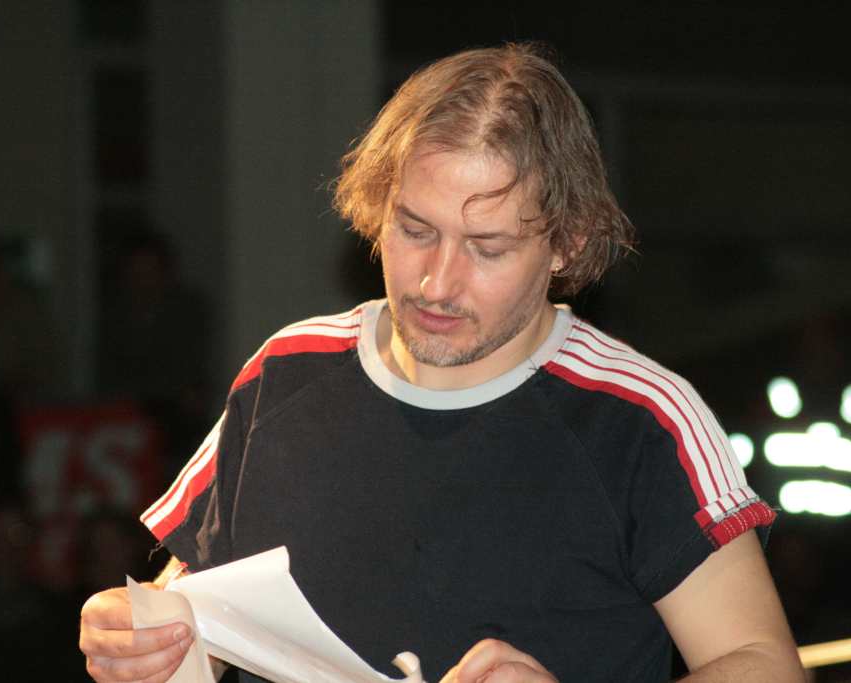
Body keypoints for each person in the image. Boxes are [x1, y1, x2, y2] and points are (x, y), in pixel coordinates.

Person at [80, 43, 804, 682]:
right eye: (414, 229)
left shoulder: (643, 419)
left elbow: (767, 665)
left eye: (487, 247)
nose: (436, 282)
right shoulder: (286, 374)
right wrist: (139, 640)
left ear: (568, 244)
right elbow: (192, 608)